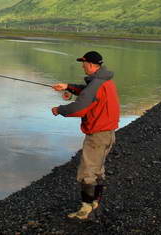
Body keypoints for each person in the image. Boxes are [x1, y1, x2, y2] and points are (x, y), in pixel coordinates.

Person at [51, 51, 120, 220]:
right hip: (108, 133)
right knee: (97, 170)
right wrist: (67, 86)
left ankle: (85, 209)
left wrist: (59, 110)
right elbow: (87, 92)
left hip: (97, 135)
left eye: (83, 63)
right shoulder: (104, 81)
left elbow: (80, 108)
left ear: (90, 64)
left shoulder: (96, 83)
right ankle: (95, 202)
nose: (82, 65)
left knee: (87, 172)